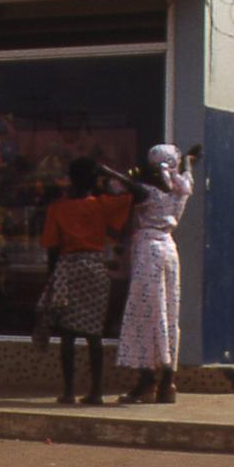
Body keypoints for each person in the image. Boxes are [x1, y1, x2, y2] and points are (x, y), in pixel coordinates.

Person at [33, 157, 131, 405]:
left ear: (70, 179)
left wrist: (52, 280)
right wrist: (109, 171)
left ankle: (68, 392)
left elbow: (52, 249)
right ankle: (96, 391)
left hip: (68, 268)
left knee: (67, 335)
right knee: (93, 334)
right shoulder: (101, 205)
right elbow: (136, 193)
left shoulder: (58, 208)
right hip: (95, 270)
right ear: (94, 180)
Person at [116, 142, 202, 403]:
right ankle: (167, 384)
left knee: (147, 314)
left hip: (148, 254)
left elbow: (122, 184)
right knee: (167, 313)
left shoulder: (147, 192)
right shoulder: (181, 189)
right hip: (169, 251)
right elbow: (187, 171)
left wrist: (117, 172)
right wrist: (187, 161)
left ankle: (146, 381)